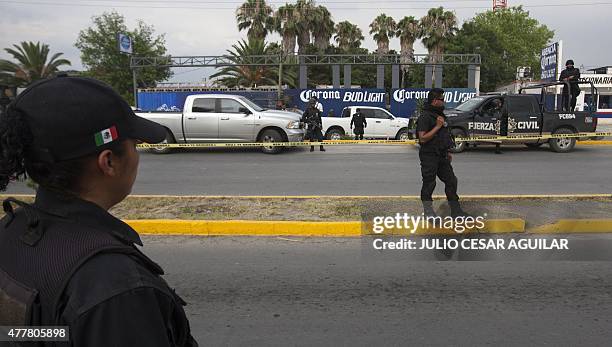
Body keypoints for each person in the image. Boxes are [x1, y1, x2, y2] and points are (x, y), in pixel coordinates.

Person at [0, 76, 198, 346]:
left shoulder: (11, 228)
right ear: (109, 162)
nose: (138, 156)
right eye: (134, 145)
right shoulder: (116, 286)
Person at [416, 88, 469, 217]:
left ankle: (456, 211)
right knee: (430, 183)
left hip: (442, 154)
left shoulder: (439, 115)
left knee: (451, 181)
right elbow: (422, 138)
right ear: (435, 101)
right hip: (429, 155)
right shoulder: (425, 116)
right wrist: (437, 126)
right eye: (442, 99)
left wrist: (447, 151)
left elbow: (443, 135)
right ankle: (428, 212)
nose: (444, 101)